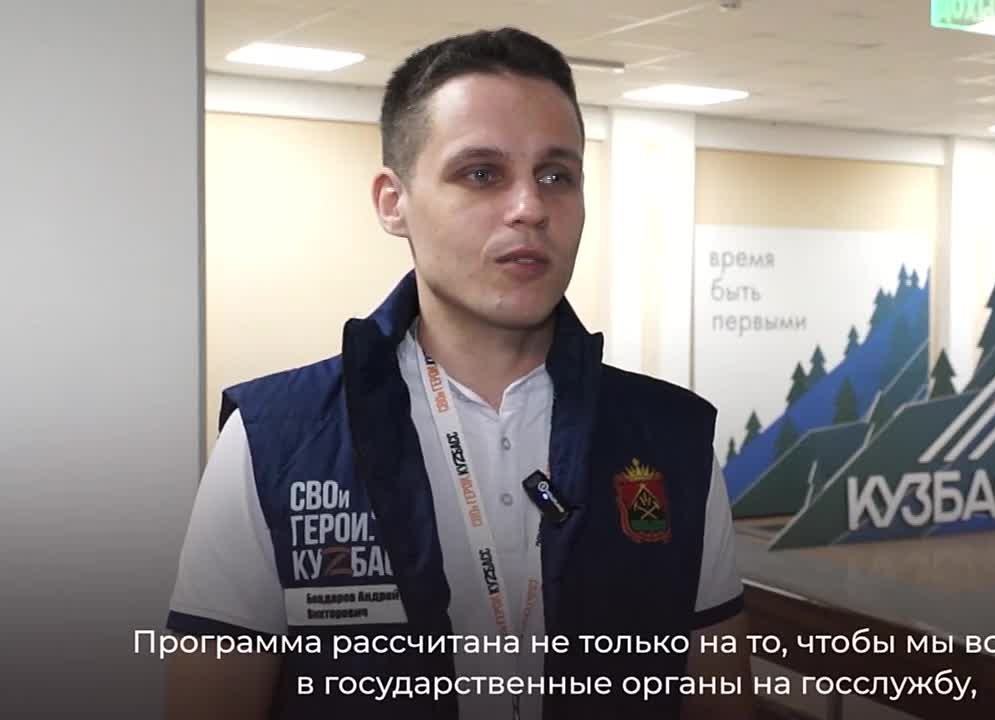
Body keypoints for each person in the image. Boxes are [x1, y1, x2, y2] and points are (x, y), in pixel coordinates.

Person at [164, 27, 752, 719]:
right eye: (481, 173)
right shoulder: (272, 441)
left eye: (556, 176)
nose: (530, 207)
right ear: (394, 202)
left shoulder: (673, 439)